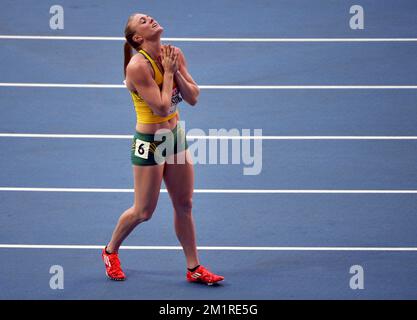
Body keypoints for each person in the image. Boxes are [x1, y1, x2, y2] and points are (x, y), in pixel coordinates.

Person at [101, 12, 224, 285]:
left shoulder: (174, 53)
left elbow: (193, 97)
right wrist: (168, 72)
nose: (151, 19)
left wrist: (176, 68)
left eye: (149, 16)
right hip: (150, 143)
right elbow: (160, 106)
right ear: (138, 38)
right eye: (143, 21)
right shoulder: (137, 66)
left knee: (184, 204)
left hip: (175, 138)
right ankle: (110, 251)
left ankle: (193, 268)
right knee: (143, 212)